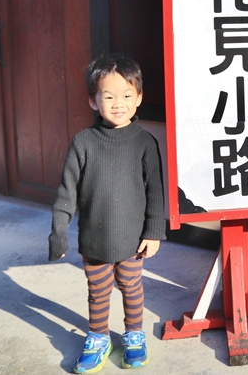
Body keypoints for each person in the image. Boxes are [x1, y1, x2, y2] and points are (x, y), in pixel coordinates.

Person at [49, 53, 166, 373]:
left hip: (132, 239)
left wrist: (154, 231)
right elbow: (66, 191)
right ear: (93, 100)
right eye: (109, 96)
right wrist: (58, 231)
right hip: (95, 238)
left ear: (139, 97)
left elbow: (155, 190)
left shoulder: (145, 142)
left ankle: (133, 335)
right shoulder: (83, 142)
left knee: (131, 287)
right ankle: (99, 337)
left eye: (127, 95)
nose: (119, 103)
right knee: (98, 291)